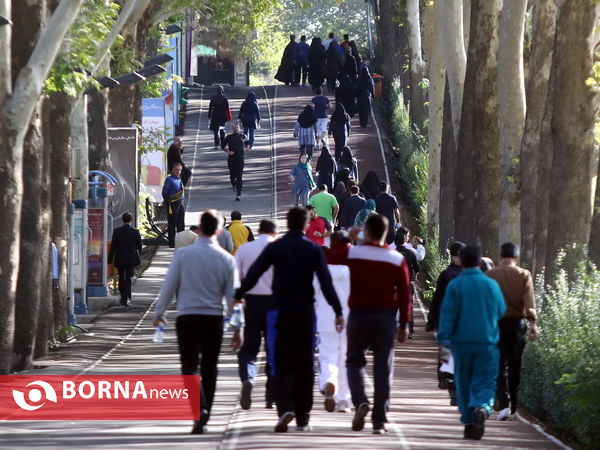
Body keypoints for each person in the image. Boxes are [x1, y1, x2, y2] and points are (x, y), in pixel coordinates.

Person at [234, 207, 344, 433]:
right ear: (306, 225)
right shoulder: (313, 249)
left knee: (281, 361)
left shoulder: (276, 248)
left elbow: (254, 272)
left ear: (287, 222)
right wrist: (338, 309)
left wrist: (239, 293)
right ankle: (303, 416)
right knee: (305, 363)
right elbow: (325, 283)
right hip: (305, 313)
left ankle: (284, 408)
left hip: (279, 311)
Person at [153, 210, 241, 435]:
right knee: (210, 366)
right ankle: (206, 411)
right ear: (219, 231)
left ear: (199, 229)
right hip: (214, 318)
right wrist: (238, 327)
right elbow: (233, 296)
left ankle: (198, 408)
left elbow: (168, 286)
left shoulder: (183, 256)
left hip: (188, 317)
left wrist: (159, 312)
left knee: (190, 366)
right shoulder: (226, 259)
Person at [328, 214, 412, 434]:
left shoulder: (354, 253)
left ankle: (360, 400)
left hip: (358, 315)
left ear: (366, 230)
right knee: (383, 368)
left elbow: (329, 256)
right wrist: (404, 324)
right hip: (385, 317)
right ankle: (379, 421)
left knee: (354, 361)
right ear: (387, 232)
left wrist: (345, 236)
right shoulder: (396, 259)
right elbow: (405, 295)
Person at [437, 245, 506, 441]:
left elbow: (447, 315)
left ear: (463, 260)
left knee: (463, 382)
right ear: (479, 262)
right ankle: (483, 406)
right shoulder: (491, 285)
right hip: (487, 342)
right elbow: (501, 311)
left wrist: (444, 340)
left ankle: (468, 420)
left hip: (461, 343)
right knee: (485, 379)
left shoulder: (455, 285)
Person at [485, 243, 539, 421]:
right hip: (517, 325)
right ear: (516, 258)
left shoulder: (490, 275)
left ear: (501, 257)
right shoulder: (524, 275)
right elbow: (529, 303)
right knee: (515, 365)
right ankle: (514, 405)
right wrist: (533, 324)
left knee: (498, 365)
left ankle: (504, 403)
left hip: (495, 325)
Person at [235, 219, 278, 410]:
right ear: (275, 233)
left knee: (248, 348)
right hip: (274, 303)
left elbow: (236, 277)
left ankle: (248, 378)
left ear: (259, 231)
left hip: (250, 302)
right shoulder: (279, 249)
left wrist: (236, 301)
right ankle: (271, 395)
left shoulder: (245, 249)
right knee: (273, 349)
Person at [314, 230, 352, 413]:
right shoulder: (352, 268)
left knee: (327, 354)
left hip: (325, 316)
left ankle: (328, 381)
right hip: (348, 316)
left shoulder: (322, 268)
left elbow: (314, 293)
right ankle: (344, 400)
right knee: (345, 357)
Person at [426, 241, 466, 406]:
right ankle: (449, 384)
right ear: (452, 256)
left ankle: (454, 385)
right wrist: (432, 320)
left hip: (462, 320)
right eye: (456, 255)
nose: (458, 258)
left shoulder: (467, 274)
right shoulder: (446, 274)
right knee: (446, 352)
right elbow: (437, 299)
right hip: (448, 320)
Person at [107, 212, 142, 307]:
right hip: (131, 258)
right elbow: (139, 246)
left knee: (121, 277)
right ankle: (128, 298)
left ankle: (123, 297)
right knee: (129, 278)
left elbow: (113, 246)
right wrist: (139, 257)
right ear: (131, 220)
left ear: (122, 220)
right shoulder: (135, 231)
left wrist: (109, 259)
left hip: (120, 258)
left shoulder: (117, 231)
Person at [393, 226, 420, 339]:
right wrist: (414, 274)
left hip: (393, 285)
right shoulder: (410, 253)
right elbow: (417, 268)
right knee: (409, 305)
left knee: (392, 306)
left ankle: (391, 328)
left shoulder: (392, 253)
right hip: (408, 283)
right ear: (405, 240)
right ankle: (410, 330)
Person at [221, 123, 249, 201]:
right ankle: (233, 184)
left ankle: (238, 195)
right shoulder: (229, 137)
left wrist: (245, 149)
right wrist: (229, 152)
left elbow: (248, 145)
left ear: (239, 128)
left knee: (239, 177)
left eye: (237, 127)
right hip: (232, 160)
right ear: (232, 129)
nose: (236, 129)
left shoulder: (243, 136)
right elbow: (222, 146)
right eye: (234, 127)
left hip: (240, 159)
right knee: (232, 176)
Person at [162, 163, 186, 248]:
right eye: (176, 169)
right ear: (172, 170)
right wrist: (168, 201)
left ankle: (181, 242)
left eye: (179, 170)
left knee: (181, 224)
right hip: (172, 204)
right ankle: (172, 243)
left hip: (180, 203)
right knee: (172, 224)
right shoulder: (169, 179)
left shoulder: (179, 179)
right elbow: (164, 192)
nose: (178, 171)